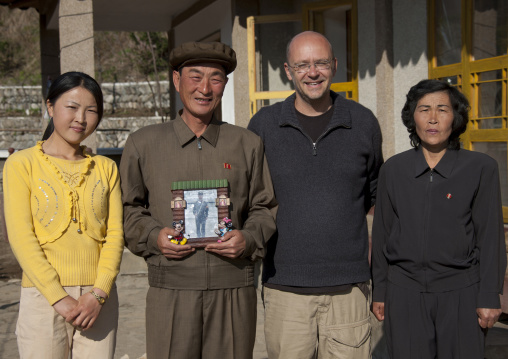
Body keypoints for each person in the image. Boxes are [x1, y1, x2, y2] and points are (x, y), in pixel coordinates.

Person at [120, 41, 277, 359]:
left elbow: (264, 207)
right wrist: (154, 236)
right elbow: (129, 210)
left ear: (225, 85)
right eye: (195, 76)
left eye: (215, 78)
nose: (205, 88)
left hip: (233, 286)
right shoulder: (144, 144)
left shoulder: (247, 144)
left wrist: (247, 239)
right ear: (177, 80)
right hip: (171, 289)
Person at [248, 31, 383, 358]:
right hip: (285, 289)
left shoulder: (362, 122)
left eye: (321, 63)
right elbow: (252, 197)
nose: (313, 72)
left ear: (335, 66)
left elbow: (372, 196)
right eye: (302, 65)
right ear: (287, 70)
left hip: (348, 291)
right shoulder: (264, 126)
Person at [371, 79, 507, 359]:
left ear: (455, 118)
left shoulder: (481, 168)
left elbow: (490, 237)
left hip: (461, 293)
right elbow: (383, 233)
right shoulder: (394, 170)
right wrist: (380, 291)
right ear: (412, 117)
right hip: (404, 292)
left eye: (442, 109)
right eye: (424, 109)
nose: (433, 118)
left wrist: (489, 296)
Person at [4, 71, 124, 359]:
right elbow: (21, 237)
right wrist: (58, 297)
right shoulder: (22, 164)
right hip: (42, 298)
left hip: (98, 301)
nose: (81, 118)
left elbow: (115, 235)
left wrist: (98, 294)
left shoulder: (106, 168)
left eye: (91, 110)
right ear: (50, 107)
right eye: (71, 107)